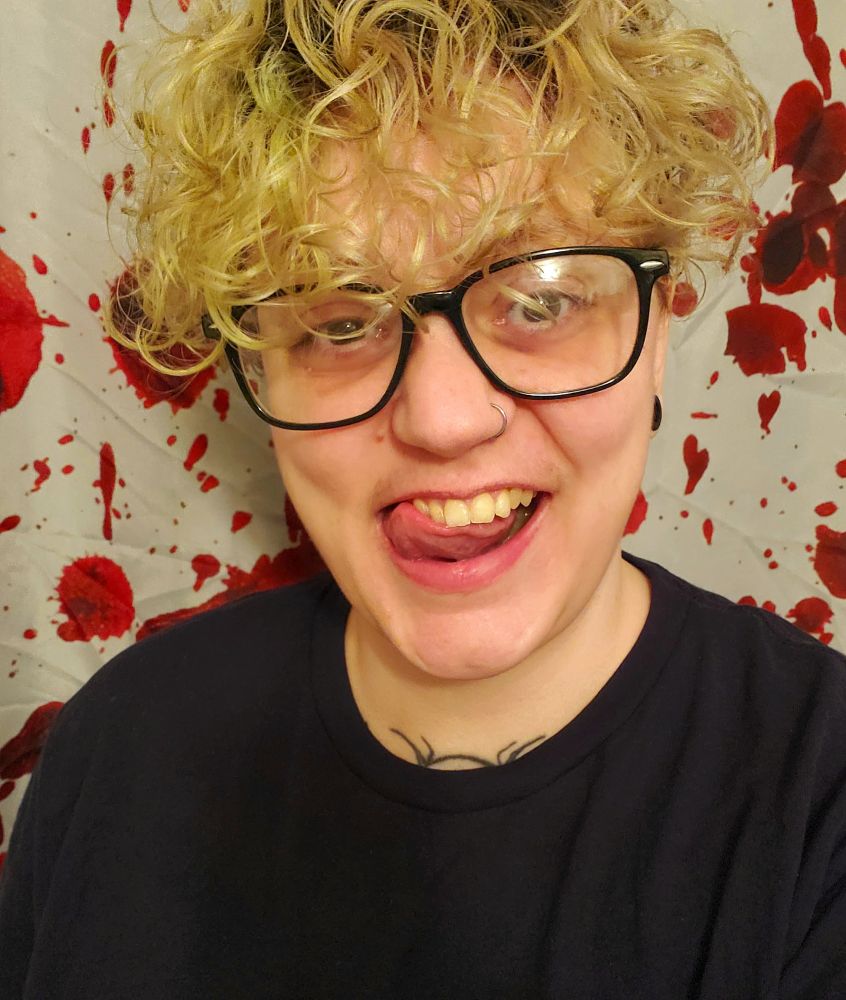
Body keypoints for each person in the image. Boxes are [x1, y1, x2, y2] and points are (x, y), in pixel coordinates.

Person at [1, 0, 844, 997]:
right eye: (342, 321)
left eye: (540, 300)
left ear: (658, 330)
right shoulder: (118, 750)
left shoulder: (820, 802)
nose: (443, 420)